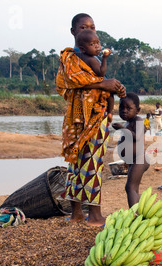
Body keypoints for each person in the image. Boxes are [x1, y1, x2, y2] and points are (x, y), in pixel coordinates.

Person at [56, 13, 126, 226]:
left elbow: (100, 80)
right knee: (86, 163)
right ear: (73, 32)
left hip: (97, 114)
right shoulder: (69, 58)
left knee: (85, 162)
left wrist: (113, 87)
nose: (90, 30)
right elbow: (67, 84)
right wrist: (102, 85)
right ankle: (92, 215)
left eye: (92, 26)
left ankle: (78, 213)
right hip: (79, 118)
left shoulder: (93, 57)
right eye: (83, 26)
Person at [112, 93, 150, 208]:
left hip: (139, 159)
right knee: (133, 187)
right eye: (121, 108)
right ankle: (139, 210)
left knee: (130, 187)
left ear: (137, 110)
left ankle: (134, 215)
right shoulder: (129, 122)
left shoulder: (138, 120)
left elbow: (137, 137)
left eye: (129, 108)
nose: (124, 111)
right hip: (133, 160)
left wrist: (122, 129)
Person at [75, 29, 114, 120]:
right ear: (82, 49)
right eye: (92, 44)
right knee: (111, 94)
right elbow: (101, 72)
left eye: (98, 43)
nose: (97, 46)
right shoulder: (91, 59)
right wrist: (104, 59)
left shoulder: (79, 56)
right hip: (97, 88)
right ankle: (110, 113)